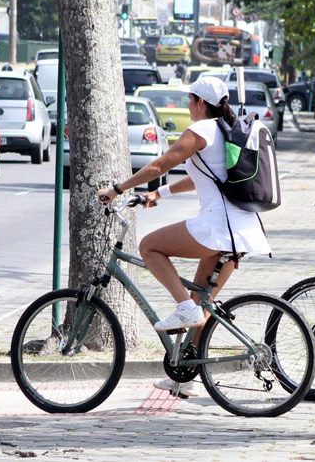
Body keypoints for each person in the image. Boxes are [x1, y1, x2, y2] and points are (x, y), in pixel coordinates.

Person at [97, 77, 271, 395]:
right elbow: (204, 179)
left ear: (200, 103)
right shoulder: (223, 131)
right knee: (203, 304)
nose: (187, 106)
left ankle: (183, 308)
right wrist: (159, 194)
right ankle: (186, 377)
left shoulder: (200, 131)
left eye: (189, 100)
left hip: (218, 229)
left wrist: (117, 189)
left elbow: (161, 164)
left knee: (149, 246)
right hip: (243, 230)